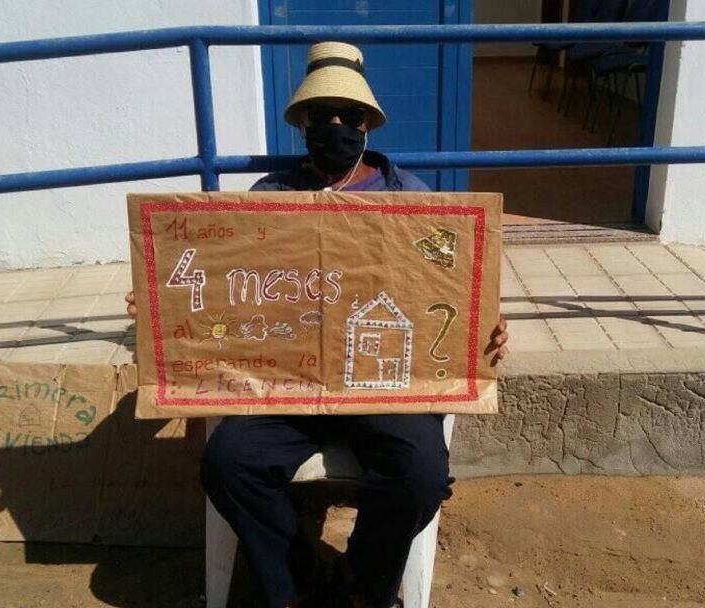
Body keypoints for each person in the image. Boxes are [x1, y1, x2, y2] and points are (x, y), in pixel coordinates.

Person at [126, 42, 508, 608]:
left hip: (385, 389)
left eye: (349, 116)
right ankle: (299, 586)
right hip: (287, 387)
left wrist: (488, 329)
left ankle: (361, 586)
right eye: (322, 115)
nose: (336, 127)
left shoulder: (413, 199)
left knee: (422, 474)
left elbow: (449, 290)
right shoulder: (268, 199)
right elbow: (225, 290)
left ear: (367, 126)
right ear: (303, 122)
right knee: (227, 464)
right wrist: (165, 298)